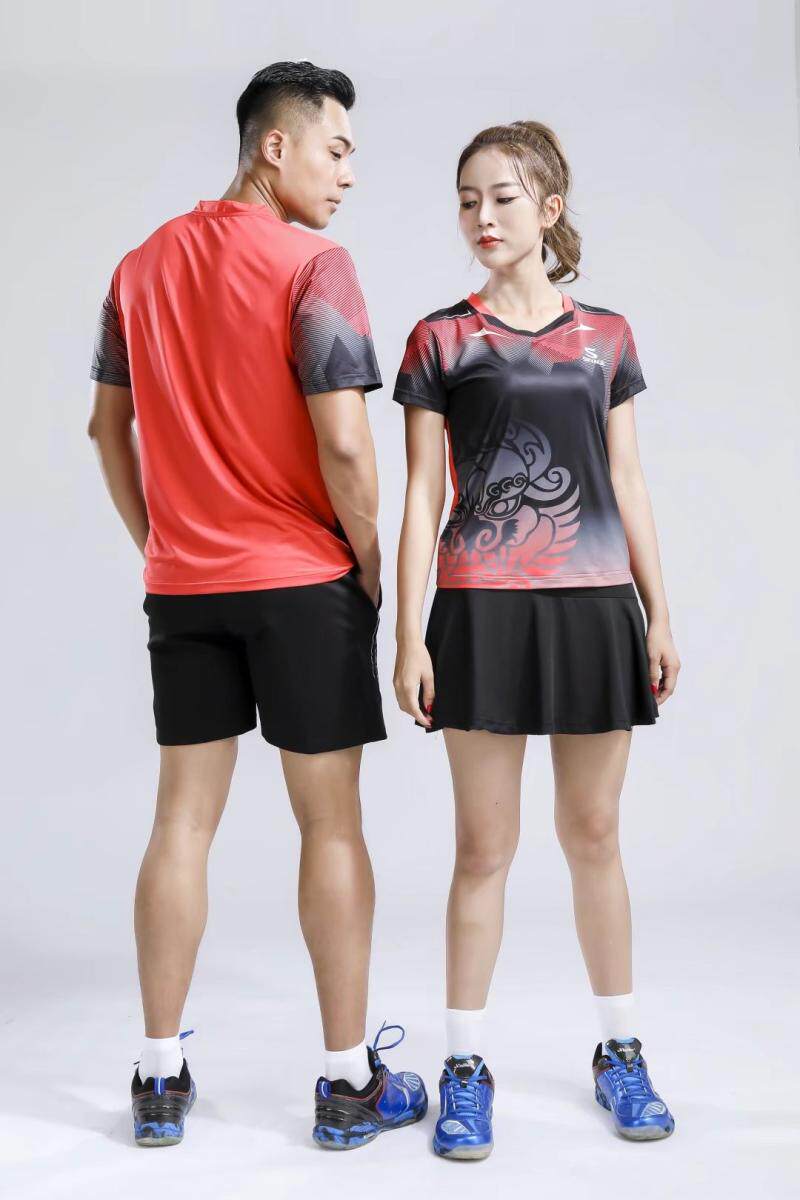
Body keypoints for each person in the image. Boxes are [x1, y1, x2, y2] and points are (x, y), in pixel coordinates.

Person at [88, 60, 426, 1150]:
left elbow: (105, 430)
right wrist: (367, 561)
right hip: (300, 583)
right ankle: (346, 1083)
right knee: (329, 823)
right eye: (336, 148)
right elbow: (345, 443)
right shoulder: (316, 266)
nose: (348, 174)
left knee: (180, 822)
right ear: (273, 146)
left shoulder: (137, 266)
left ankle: (157, 1076)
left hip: (183, 588)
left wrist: (164, 545)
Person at [392, 120, 681, 1158]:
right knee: (483, 849)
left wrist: (658, 610)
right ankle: (465, 1067)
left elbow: (627, 481)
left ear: (548, 211)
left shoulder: (607, 337)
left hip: (594, 604)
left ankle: (620, 1052)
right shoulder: (440, 339)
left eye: (503, 198)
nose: (482, 216)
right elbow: (422, 493)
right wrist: (408, 635)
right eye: (467, 198)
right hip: (480, 607)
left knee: (593, 835)